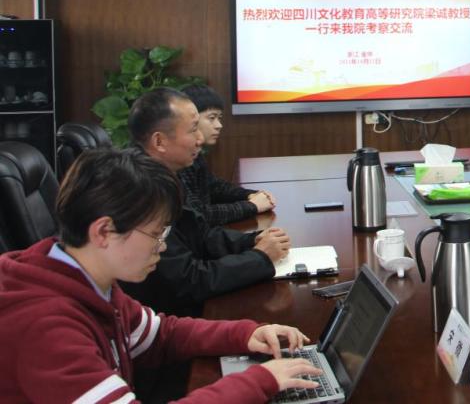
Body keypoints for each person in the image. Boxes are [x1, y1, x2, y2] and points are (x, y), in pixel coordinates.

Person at [0, 148, 322, 403]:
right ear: (103, 232)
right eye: (156, 233)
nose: (163, 245)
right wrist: (261, 380)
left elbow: (160, 335)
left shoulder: (86, 279)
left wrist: (246, 334)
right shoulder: (45, 327)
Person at [122, 87, 289, 316]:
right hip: (167, 317)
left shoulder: (164, 174)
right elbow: (187, 281)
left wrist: (251, 241)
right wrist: (260, 258)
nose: (200, 139)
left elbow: (199, 234)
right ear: (159, 141)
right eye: (193, 130)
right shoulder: (139, 189)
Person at [180, 84, 276, 226]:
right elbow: (199, 215)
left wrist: (249, 195)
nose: (219, 125)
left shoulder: (194, 152)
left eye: (219, 118)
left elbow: (214, 187)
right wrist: (252, 206)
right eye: (211, 118)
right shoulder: (177, 159)